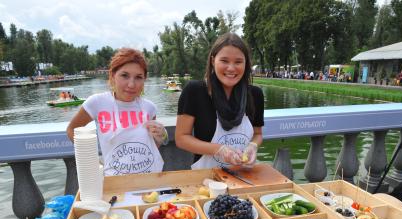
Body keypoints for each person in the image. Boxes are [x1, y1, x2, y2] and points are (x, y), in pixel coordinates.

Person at [67, 48, 167, 176]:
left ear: (144, 79)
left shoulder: (149, 108)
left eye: (138, 77)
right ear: (113, 75)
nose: (131, 84)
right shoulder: (97, 102)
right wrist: (92, 159)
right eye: (124, 75)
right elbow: (71, 129)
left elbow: (150, 146)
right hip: (114, 184)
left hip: (148, 180)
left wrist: (161, 136)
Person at [175, 33, 264, 169]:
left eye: (238, 62)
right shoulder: (195, 91)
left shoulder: (255, 94)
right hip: (206, 178)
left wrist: (253, 146)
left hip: (244, 174)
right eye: (224, 61)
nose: (231, 68)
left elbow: (257, 134)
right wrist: (219, 149)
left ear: (246, 64)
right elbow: (181, 138)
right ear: (213, 61)